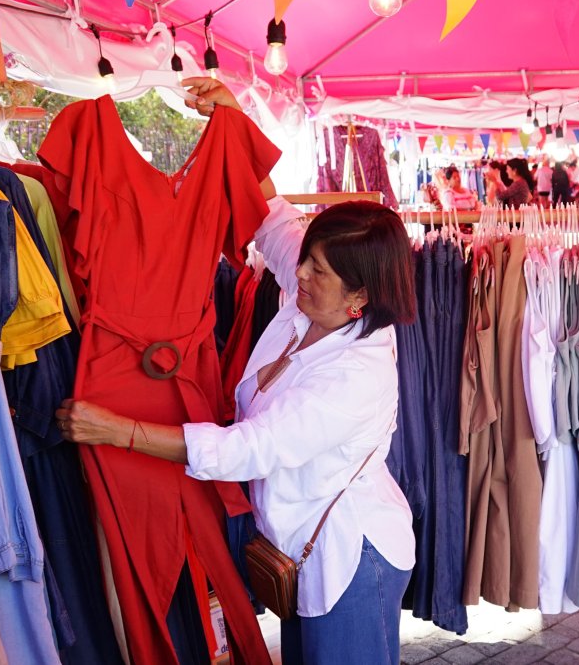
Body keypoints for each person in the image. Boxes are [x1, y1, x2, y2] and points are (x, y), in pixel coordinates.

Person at [56, 78, 418, 665]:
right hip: (304, 550)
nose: (300, 274)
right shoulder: (314, 304)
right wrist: (233, 122)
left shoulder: (355, 373)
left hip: (352, 558)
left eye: (318, 271)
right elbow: (272, 220)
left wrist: (116, 430)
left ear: (360, 296)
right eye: (307, 261)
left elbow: (249, 449)